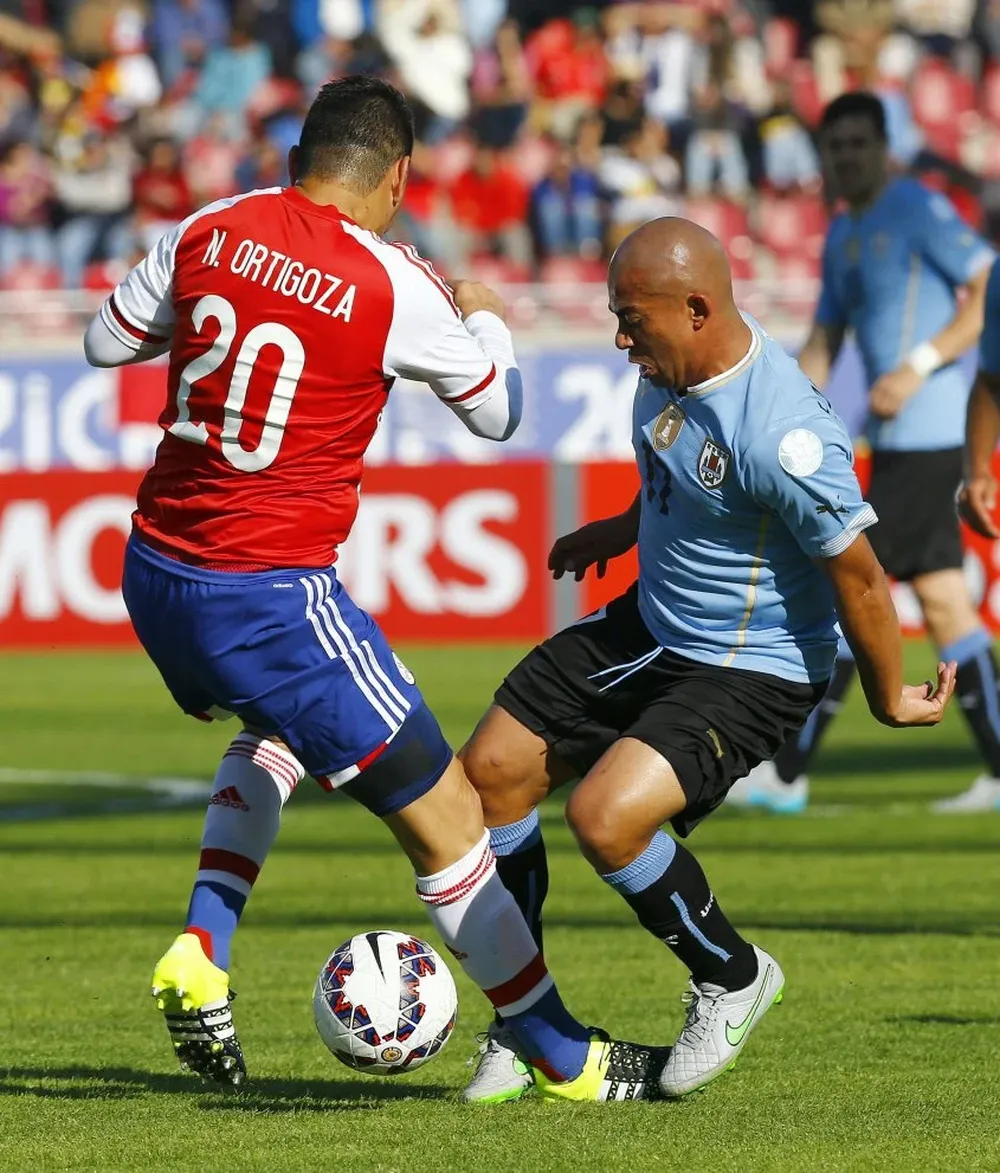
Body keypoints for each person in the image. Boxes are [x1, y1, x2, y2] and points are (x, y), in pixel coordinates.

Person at [82, 76, 665, 1102]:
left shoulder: (214, 221)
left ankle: (202, 945)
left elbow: (104, 343)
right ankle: (561, 1054)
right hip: (267, 592)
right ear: (396, 176)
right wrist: (481, 315)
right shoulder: (391, 279)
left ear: (298, 156)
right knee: (447, 816)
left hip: (158, 569)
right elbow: (496, 414)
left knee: (272, 733)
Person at [456, 215, 956, 1104]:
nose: (617, 337)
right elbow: (681, 476)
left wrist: (888, 696)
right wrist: (614, 531)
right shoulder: (668, 369)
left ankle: (732, 977)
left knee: (607, 819)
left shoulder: (786, 436)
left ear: (695, 308)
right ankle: (527, 1021)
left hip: (753, 663)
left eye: (630, 318)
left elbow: (864, 581)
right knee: (488, 773)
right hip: (652, 623)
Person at [729, 91, 994, 815]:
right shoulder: (845, 233)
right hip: (897, 441)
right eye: (835, 146)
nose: (846, 157)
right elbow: (822, 343)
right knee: (942, 601)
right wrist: (769, 413)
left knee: (854, 588)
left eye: (857, 144)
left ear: (884, 148)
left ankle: (787, 771)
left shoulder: (914, 208)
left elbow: (987, 284)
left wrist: (918, 362)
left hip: (934, 430)